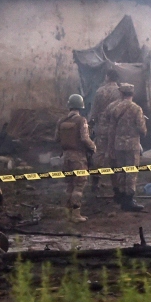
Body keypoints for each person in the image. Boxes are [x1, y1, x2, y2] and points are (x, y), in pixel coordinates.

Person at [102, 83, 146, 212]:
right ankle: (129, 200)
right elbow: (142, 130)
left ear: (121, 93)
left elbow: (111, 129)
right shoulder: (137, 109)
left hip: (118, 145)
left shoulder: (115, 108)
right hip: (132, 145)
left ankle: (121, 196)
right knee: (131, 172)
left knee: (121, 171)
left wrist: (110, 146)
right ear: (132, 94)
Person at [55, 94, 97, 223]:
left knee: (69, 185)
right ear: (81, 106)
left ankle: (67, 213)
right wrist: (93, 147)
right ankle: (76, 214)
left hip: (65, 157)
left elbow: (56, 138)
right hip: (78, 157)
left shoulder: (61, 121)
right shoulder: (81, 120)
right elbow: (85, 138)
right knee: (79, 185)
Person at [87, 67, 121, 194]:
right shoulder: (120, 92)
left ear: (107, 77)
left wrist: (90, 124)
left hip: (101, 127)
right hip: (116, 128)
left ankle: (95, 183)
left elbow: (94, 111)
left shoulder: (100, 91)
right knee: (115, 156)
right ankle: (116, 186)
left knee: (99, 155)